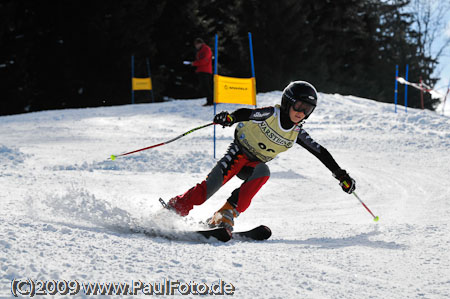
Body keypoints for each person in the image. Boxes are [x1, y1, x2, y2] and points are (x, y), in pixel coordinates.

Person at [164, 81, 356, 232]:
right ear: (288, 101)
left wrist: (340, 175)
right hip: (238, 154)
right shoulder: (271, 114)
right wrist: (230, 118)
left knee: (263, 172)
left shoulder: (297, 132)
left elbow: (320, 152)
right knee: (209, 188)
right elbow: (248, 113)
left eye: (307, 109)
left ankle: (224, 214)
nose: (301, 113)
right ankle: (173, 210)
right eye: (298, 106)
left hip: (255, 163)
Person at [185, 38, 213, 106]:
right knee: (205, 87)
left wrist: (194, 63)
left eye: (196, 45)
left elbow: (204, 60)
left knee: (206, 87)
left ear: (200, 43)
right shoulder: (200, 50)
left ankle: (211, 101)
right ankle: (210, 101)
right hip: (201, 70)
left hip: (205, 70)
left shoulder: (206, 49)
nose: (196, 46)